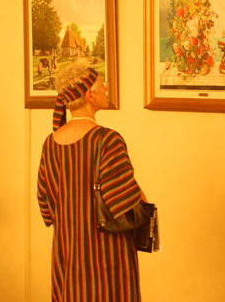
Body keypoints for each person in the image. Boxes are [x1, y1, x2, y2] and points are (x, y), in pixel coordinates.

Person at [37, 60, 145, 301]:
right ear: (89, 95)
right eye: (102, 84)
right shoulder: (107, 140)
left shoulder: (50, 143)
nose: (106, 88)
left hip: (67, 253)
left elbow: (46, 207)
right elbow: (124, 204)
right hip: (106, 257)